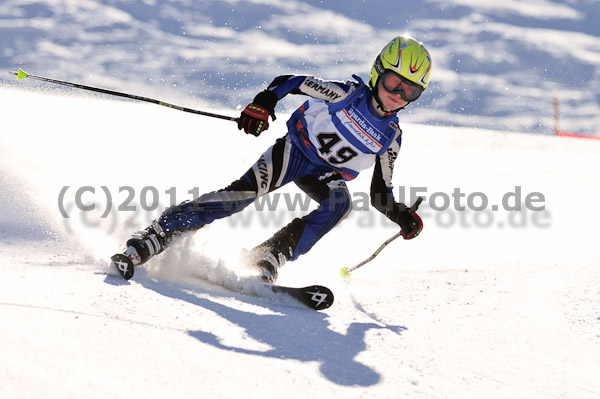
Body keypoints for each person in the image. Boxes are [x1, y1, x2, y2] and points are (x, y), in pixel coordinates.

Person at [119, 35, 431, 283]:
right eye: (394, 82)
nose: (398, 95)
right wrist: (264, 104)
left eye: (410, 92)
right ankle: (158, 234)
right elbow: (293, 81)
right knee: (242, 195)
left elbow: (380, 194)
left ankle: (268, 255)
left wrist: (400, 216)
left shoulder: (391, 137)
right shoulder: (346, 94)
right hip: (295, 151)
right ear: (378, 73)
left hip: (325, 173)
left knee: (341, 205)